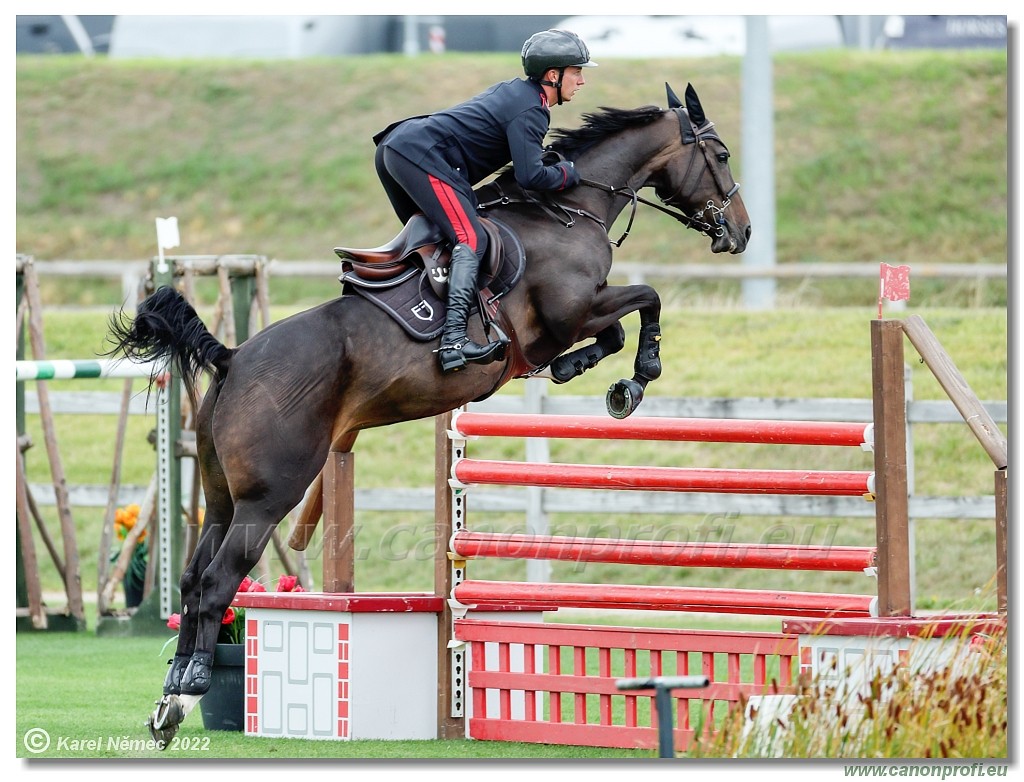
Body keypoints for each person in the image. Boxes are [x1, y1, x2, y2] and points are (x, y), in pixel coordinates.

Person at [373, 29, 597, 373]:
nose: (581, 80)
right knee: (471, 237)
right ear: (553, 75)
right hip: (420, 153)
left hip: (398, 147)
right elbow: (530, 177)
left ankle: (418, 322)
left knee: (438, 239)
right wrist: (570, 174)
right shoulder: (532, 110)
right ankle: (453, 341)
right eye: (577, 71)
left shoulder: (518, 93)